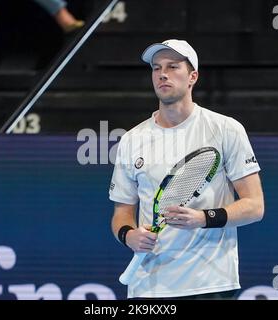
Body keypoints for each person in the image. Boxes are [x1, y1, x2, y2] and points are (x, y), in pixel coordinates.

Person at [109, 39, 265, 299]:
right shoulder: (132, 139)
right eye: (156, 68)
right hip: (148, 289)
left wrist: (203, 219)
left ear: (193, 76)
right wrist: (129, 236)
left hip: (211, 284)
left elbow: (255, 206)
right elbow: (121, 213)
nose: (163, 74)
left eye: (172, 66)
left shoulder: (226, 129)